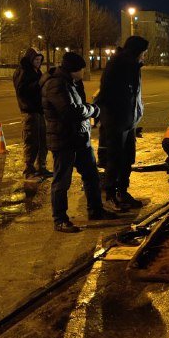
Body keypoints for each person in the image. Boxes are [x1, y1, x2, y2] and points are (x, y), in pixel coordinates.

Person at [41, 52, 112, 233]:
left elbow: (77, 108)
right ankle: (60, 220)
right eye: (82, 69)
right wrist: (93, 110)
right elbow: (69, 111)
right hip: (63, 139)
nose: (84, 72)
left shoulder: (71, 83)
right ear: (75, 70)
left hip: (79, 138)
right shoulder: (55, 84)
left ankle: (95, 211)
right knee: (62, 181)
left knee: (91, 175)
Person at [97, 35, 149, 211]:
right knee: (114, 159)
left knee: (127, 158)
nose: (144, 56)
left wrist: (137, 112)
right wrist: (110, 117)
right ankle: (110, 195)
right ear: (136, 51)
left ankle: (122, 192)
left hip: (128, 120)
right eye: (143, 52)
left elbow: (134, 94)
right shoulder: (118, 64)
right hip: (116, 121)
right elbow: (107, 94)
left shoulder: (133, 66)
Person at [13, 47, 51, 179]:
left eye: (40, 59)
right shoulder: (23, 71)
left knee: (43, 141)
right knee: (31, 142)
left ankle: (41, 167)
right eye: (36, 59)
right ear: (30, 59)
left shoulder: (36, 71)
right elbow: (22, 91)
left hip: (39, 111)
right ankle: (29, 170)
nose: (38, 62)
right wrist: (41, 82)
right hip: (30, 111)